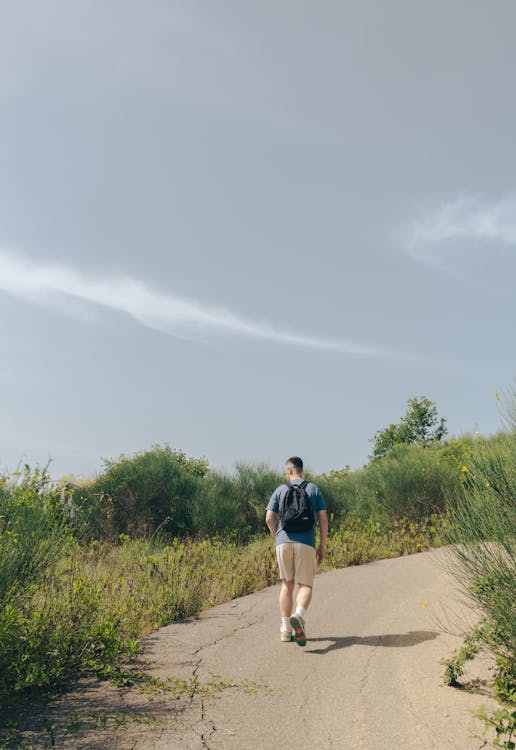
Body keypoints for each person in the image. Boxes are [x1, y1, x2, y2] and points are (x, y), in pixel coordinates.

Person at [265, 456, 328, 646]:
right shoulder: (313, 489)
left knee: (286, 584)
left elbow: (269, 518)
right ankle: (299, 614)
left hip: (283, 542)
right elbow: (323, 518)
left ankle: (285, 629)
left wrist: (277, 536)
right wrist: (322, 545)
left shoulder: (280, 490)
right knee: (305, 585)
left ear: (290, 470)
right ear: (301, 470)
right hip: (306, 542)